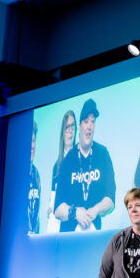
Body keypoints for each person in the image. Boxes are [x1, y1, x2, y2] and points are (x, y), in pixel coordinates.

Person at [54, 99, 116, 232]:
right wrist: (75, 212)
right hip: (69, 237)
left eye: (93, 121)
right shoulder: (68, 159)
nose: (89, 126)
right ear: (80, 125)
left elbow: (110, 200)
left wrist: (95, 210)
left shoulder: (103, 154)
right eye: (86, 121)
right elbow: (57, 209)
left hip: (93, 236)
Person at [29, 122, 41, 234]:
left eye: (33, 141)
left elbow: (36, 213)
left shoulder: (36, 174)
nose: (32, 146)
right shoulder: (16, 175)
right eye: (29, 141)